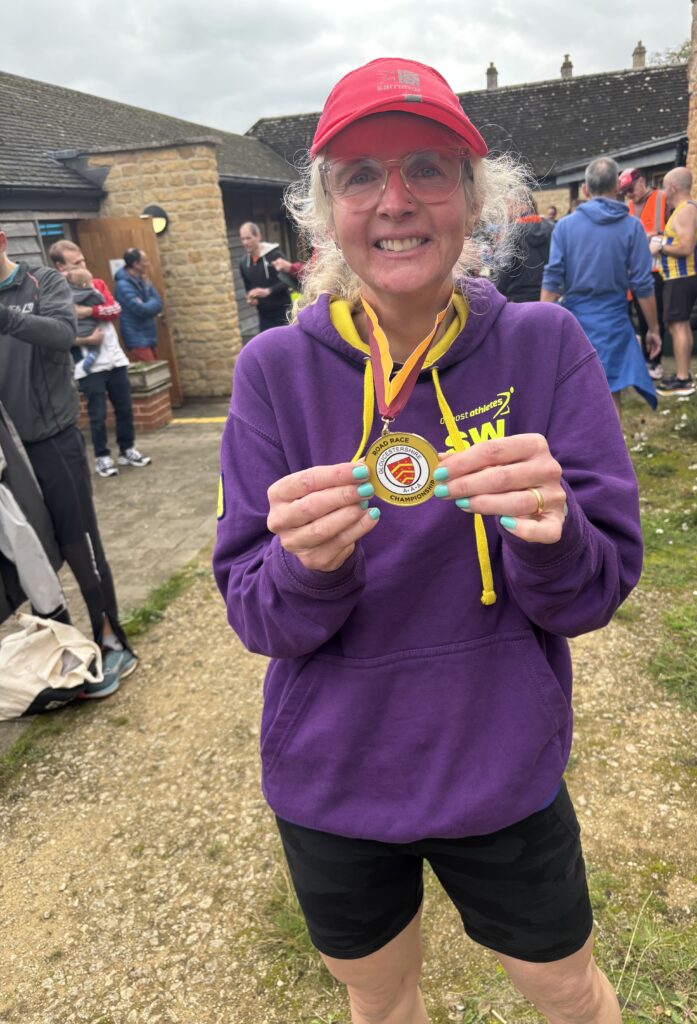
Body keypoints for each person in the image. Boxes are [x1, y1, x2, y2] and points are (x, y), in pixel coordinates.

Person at [214, 57, 642, 1024]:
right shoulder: (274, 371)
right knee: (381, 1001)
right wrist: (306, 568)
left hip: (503, 759)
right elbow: (253, 609)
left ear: (473, 199)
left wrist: (551, 540)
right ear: (323, 210)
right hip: (335, 774)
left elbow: (595, 591)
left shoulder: (545, 347)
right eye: (360, 175)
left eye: (426, 169)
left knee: (565, 990)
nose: (394, 200)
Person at [0, 225, 137, 697]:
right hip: (8, 454)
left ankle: (111, 637)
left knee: (80, 544)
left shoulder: (43, 283)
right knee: (32, 556)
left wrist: (4, 317)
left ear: (1, 242)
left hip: (53, 439)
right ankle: (58, 650)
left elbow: (61, 334)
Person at [541, 157, 662, 419]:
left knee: (571, 396)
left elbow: (552, 280)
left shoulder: (565, 226)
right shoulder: (632, 227)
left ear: (585, 189)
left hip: (575, 324)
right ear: (617, 187)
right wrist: (653, 329)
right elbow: (642, 284)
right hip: (614, 323)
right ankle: (611, 458)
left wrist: (540, 326)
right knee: (609, 396)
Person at [62, 266, 151, 477]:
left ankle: (127, 449)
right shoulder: (60, 294)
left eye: (82, 260)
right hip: (90, 367)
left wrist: (89, 311)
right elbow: (62, 333)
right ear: (60, 266)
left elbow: (115, 311)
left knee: (125, 409)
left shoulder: (98, 285)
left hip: (115, 360)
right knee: (97, 415)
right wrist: (87, 340)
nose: (82, 264)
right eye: (75, 262)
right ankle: (102, 456)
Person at [650, 168, 697, 397]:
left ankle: (682, 379)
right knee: (680, 325)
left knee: (677, 325)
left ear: (672, 188)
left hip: (681, 278)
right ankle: (684, 375)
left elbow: (685, 247)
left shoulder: (684, 212)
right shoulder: (687, 210)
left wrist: (659, 247)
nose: (663, 192)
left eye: (664, 186)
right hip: (682, 278)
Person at [618, 168, 667, 379]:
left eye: (631, 189)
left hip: (656, 269)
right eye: (625, 191)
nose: (629, 194)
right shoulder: (628, 208)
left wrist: (653, 238)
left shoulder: (661, 198)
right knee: (630, 317)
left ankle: (654, 362)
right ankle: (639, 359)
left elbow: (669, 230)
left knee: (652, 318)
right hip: (631, 270)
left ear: (641, 181)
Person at [493, 194, 554, 303]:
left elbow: (504, 266)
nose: (506, 212)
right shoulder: (551, 228)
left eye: (508, 206)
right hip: (547, 299)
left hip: (518, 301)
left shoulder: (512, 232)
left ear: (521, 206)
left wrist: (496, 295)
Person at [238, 222, 294, 332]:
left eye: (248, 238)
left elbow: (288, 281)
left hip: (284, 313)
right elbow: (249, 289)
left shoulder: (275, 255)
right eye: (242, 239)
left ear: (258, 236)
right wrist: (251, 300)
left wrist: (269, 291)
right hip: (264, 318)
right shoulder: (243, 264)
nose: (245, 242)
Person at [114, 248, 163, 361]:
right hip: (137, 339)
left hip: (149, 337)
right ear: (136, 264)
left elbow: (159, 302)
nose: (148, 264)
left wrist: (148, 302)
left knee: (158, 373)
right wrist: (150, 301)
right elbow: (143, 310)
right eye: (145, 261)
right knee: (151, 375)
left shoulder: (144, 280)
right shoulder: (123, 286)